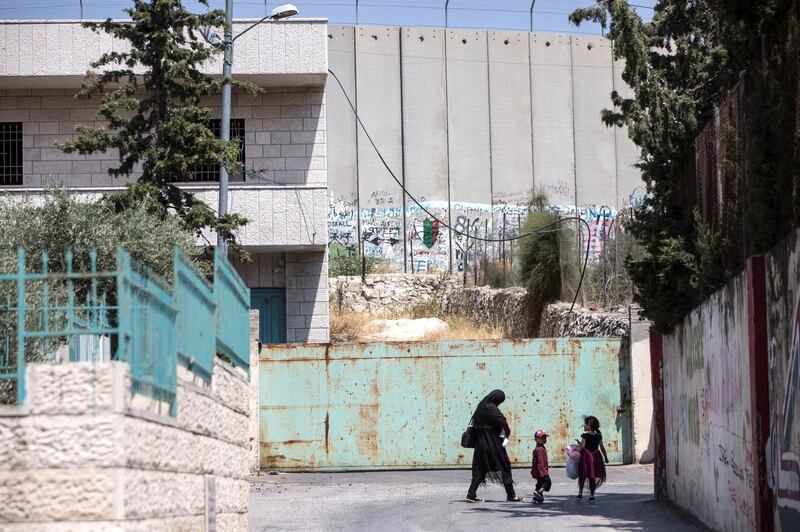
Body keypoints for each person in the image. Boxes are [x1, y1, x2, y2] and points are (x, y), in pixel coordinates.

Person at [466, 389, 524, 503]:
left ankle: (471, 494)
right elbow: (503, 422)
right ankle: (511, 495)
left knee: (480, 468)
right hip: (493, 444)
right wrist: (507, 433)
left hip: (480, 444)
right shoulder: (491, 408)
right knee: (504, 466)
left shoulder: (481, 406)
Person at [577, 415, 609, 502]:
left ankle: (580, 494)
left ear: (589, 425)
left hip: (586, 458)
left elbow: (583, 447)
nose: (583, 425)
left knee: (582, 475)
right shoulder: (598, 436)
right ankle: (592, 495)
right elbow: (602, 447)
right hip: (596, 457)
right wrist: (605, 457)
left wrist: (579, 444)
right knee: (593, 476)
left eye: (585, 424)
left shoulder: (585, 436)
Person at [530, 429, 551, 503]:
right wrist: (544, 472)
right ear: (536, 439)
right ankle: (539, 492)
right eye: (542, 438)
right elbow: (540, 462)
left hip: (538, 471)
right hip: (542, 471)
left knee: (540, 484)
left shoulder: (538, 448)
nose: (544, 439)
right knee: (547, 482)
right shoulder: (540, 449)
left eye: (545, 438)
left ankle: (536, 498)